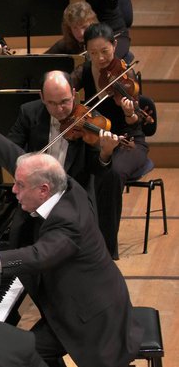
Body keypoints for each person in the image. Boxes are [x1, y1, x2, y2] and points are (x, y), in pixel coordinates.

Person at [0, 91, 143, 367]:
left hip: (91, 318)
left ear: (43, 190)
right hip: (69, 302)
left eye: (20, 186)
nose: (14, 189)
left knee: (27, 357)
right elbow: (12, 154)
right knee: (32, 355)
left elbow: (37, 256)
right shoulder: (60, 182)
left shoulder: (70, 222)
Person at [7, 70, 124, 258]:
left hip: (72, 195)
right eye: (52, 103)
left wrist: (106, 152)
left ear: (74, 94)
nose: (60, 109)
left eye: (65, 101)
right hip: (35, 193)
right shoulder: (29, 113)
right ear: (42, 97)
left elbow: (98, 169)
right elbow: (11, 149)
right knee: (19, 237)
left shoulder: (90, 120)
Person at [71, 22, 150, 253]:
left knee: (112, 173)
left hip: (129, 141)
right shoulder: (83, 71)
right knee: (72, 165)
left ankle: (106, 247)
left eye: (104, 51)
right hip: (95, 139)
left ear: (114, 45)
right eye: (93, 53)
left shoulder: (126, 74)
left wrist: (129, 113)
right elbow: (66, 90)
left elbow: (136, 121)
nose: (100, 58)